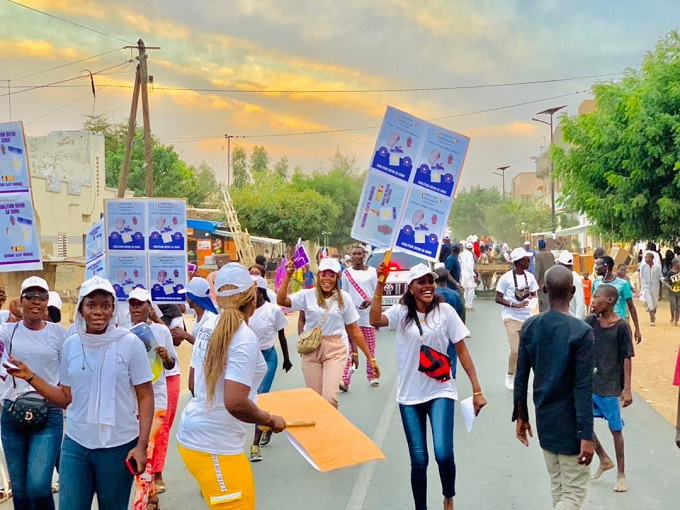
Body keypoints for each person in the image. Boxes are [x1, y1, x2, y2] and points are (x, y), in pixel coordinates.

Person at [5, 276, 154, 510]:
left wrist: (141, 446)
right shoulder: (71, 344)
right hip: (77, 445)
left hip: (119, 446)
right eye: (91, 305)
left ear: (113, 309)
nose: (98, 312)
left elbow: (145, 396)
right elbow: (65, 398)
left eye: (105, 306)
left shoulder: (130, 344)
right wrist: (31, 377)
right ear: (81, 310)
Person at [370, 263, 486, 510]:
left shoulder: (445, 312)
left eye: (430, 281)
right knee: (419, 460)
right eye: (421, 282)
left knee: (443, 453)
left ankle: (448, 496)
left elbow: (462, 351)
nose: (428, 286)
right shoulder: (401, 313)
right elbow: (374, 319)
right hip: (410, 397)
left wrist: (477, 390)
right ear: (411, 287)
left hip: (440, 391)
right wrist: (380, 284)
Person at [177, 263, 286, 509]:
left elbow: (194, 384)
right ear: (252, 299)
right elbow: (235, 402)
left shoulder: (207, 327)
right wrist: (268, 419)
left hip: (197, 438)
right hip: (215, 447)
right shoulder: (244, 337)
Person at [513, 265, 595, 510]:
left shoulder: (530, 326)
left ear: (545, 290)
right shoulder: (582, 332)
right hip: (571, 424)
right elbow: (582, 387)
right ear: (572, 291)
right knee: (573, 494)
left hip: (544, 419)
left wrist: (521, 416)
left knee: (558, 485)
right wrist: (587, 435)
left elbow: (520, 375)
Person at [0, 277, 67, 510]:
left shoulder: (60, 333)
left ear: (48, 302)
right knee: (20, 492)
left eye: (41, 296)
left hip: (48, 413)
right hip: (12, 413)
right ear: (20, 302)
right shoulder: (8, 331)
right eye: (30, 296)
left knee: (38, 488)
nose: (35, 301)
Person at [277, 257, 380, 408]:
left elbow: (354, 330)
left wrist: (371, 359)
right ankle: (321, 431)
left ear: (337, 278)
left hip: (336, 348)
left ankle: (332, 430)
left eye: (331, 275)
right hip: (311, 348)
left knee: (329, 398)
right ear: (318, 275)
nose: (327, 279)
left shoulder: (344, 298)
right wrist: (288, 275)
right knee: (315, 399)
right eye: (324, 274)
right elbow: (281, 301)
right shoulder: (307, 295)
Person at [159, 277, 218, 491]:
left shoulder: (210, 319)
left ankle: (211, 475)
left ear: (194, 298)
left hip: (208, 378)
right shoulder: (200, 318)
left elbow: (209, 346)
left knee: (207, 430)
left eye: (188, 295)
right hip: (200, 380)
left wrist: (185, 336)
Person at [127, 288, 177, 509]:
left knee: (144, 448)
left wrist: (166, 356)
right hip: (131, 402)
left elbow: (171, 364)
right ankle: (152, 496)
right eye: (132, 304)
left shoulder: (160, 330)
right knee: (143, 448)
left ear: (149, 306)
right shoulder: (123, 333)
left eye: (140, 303)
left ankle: (141, 502)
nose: (136, 308)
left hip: (157, 400)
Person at [587, 285, 635, 493]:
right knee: (582, 421)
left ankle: (621, 473)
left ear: (610, 301)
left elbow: (627, 358)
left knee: (616, 429)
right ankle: (603, 458)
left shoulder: (622, 326)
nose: (593, 300)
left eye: (597, 297)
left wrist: (627, 388)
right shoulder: (589, 322)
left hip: (610, 386)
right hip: (590, 383)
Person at [248, 276, 292, 462]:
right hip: (249, 358)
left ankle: (255, 445)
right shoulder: (244, 312)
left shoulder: (273, 311)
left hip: (268, 357)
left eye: (253, 291)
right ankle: (267, 422)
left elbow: (282, 336)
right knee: (250, 397)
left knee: (261, 396)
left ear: (261, 291)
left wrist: (287, 359)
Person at [495, 248, 539, 391]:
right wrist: (514, 304)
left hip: (527, 317)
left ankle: (531, 377)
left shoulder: (530, 277)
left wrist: (532, 306)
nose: (529, 261)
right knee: (516, 350)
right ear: (519, 261)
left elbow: (534, 294)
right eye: (527, 259)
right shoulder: (506, 278)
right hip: (511, 317)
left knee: (531, 350)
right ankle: (510, 374)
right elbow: (498, 298)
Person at [340, 245, 380, 391]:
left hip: (367, 317)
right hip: (352, 317)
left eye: (359, 254)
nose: (357, 256)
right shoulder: (346, 273)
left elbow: (377, 292)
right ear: (351, 257)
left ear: (364, 255)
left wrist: (370, 301)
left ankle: (372, 375)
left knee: (369, 348)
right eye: (354, 254)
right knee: (350, 350)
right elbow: (344, 293)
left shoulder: (372, 272)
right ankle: (345, 380)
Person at [593, 256, 642, 344]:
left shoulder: (623, 284)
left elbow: (631, 307)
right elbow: (593, 305)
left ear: (606, 266)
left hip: (617, 324)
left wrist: (637, 329)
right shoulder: (596, 283)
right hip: (599, 323)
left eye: (597, 265)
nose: (595, 267)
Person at [556, 251, 586, 320]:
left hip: (574, 319)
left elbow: (580, 303)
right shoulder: (564, 276)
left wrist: (577, 322)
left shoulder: (574, 278)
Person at [640, 252, 662, 326]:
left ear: (652, 258)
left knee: (654, 303)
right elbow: (641, 277)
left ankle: (653, 312)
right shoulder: (643, 267)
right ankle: (652, 320)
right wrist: (642, 287)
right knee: (650, 303)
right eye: (645, 258)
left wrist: (664, 280)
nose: (646, 259)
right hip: (646, 287)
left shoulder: (657, 267)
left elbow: (660, 276)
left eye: (647, 257)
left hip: (655, 287)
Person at [534, 239, 555, 312]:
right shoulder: (551, 255)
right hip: (552, 283)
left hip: (542, 285)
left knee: (543, 305)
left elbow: (537, 271)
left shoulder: (538, 256)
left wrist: (534, 285)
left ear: (539, 246)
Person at [459, 242, 476, 310]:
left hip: (463, 273)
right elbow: (469, 266)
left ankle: (466, 304)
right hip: (468, 273)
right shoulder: (469, 254)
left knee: (465, 289)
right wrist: (473, 275)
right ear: (471, 248)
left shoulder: (462, 253)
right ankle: (469, 305)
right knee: (471, 289)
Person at [663, 257, 680, 326]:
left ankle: (676, 320)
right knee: (673, 306)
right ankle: (672, 316)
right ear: (675, 264)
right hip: (672, 292)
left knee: (678, 307)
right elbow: (665, 281)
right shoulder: (670, 272)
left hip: (679, 292)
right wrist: (669, 286)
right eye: (678, 262)